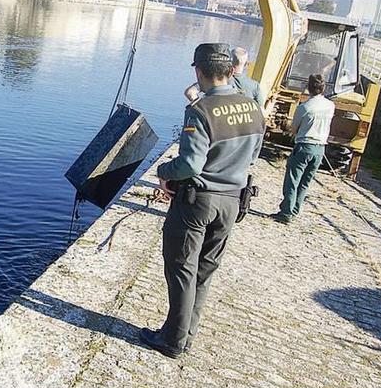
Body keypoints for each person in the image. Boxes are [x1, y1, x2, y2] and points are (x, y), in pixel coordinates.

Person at [140, 43, 265, 358]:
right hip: (233, 200)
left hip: (198, 201)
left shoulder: (201, 110)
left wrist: (163, 170)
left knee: (181, 268)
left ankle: (172, 340)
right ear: (230, 70)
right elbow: (252, 155)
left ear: (199, 72)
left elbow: (190, 165)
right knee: (206, 270)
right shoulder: (252, 107)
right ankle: (184, 334)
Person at [272, 74, 335, 224]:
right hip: (320, 148)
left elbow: (294, 130)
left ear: (308, 87)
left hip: (304, 146)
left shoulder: (304, 107)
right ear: (323, 88)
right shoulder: (330, 106)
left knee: (293, 180)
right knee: (305, 182)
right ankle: (295, 210)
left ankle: (286, 212)